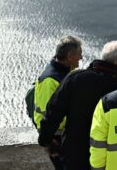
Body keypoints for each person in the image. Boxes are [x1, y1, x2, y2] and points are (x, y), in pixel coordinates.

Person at [38, 40, 117, 170]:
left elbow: (54, 111)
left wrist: (45, 139)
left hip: (74, 155)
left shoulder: (74, 78)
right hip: (107, 156)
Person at [34, 35, 83, 170]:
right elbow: (48, 114)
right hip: (55, 137)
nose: (81, 57)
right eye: (80, 54)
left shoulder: (67, 72)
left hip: (63, 135)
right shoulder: (50, 80)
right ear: (70, 56)